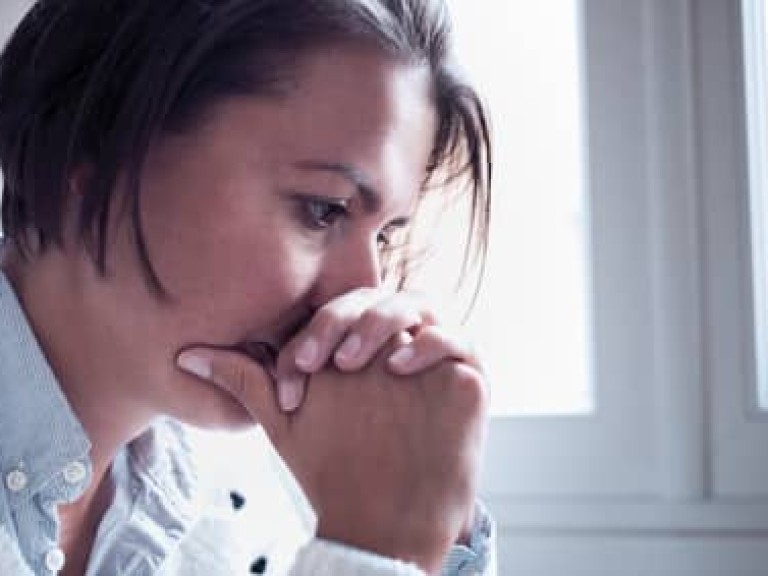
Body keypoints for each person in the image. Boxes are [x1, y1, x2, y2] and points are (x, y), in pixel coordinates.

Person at [0, 0, 495, 574]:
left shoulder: (277, 499)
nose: (363, 290)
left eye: (383, 238)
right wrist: (374, 555)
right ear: (97, 152)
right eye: (322, 210)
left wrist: (431, 531)